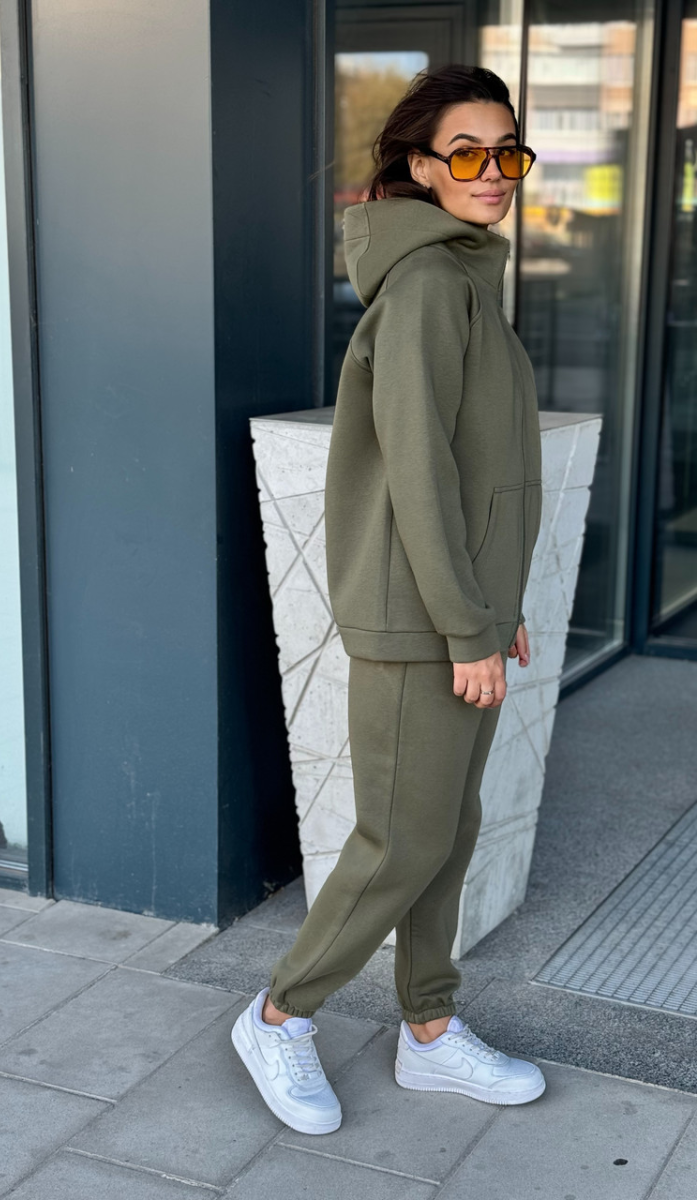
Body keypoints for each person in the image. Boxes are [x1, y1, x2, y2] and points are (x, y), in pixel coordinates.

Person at [231, 64, 545, 1136]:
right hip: (420, 622)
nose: (493, 172)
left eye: (508, 151)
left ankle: (429, 1030)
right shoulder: (424, 289)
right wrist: (465, 622)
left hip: (459, 617)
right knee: (401, 841)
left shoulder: (464, 276)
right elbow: (420, 472)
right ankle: (278, 1014)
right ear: (422, 164)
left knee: (448, 831)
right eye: (468, 153)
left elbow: (480, 467)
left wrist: (496, 607)